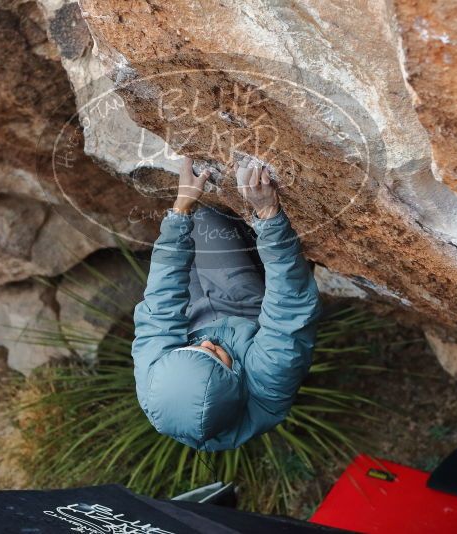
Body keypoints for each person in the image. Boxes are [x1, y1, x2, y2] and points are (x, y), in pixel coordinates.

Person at [132, 156, 322, 451]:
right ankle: (254, 247)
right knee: (210, 218)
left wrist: (181, 210)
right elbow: (289, 304)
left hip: (193, 316)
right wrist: (268, 214)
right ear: (237, 380)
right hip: (245, 314)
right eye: (216, 356)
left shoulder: (155, 380)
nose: (207, 344)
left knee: (192, 222)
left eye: (194, 350)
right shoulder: (269, 377)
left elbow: (161, 300)